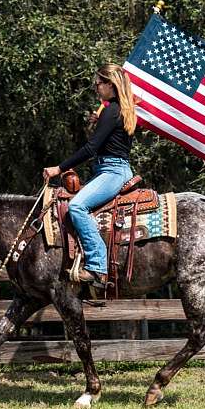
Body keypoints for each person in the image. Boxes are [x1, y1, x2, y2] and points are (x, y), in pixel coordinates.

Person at [43, 64, 137, 289]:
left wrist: (60, 168)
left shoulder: (112, 111)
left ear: (110, 84)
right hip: (110, 169)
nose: (96, 87)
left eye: (98, 83)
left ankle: (96, 267)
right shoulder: (117, 110)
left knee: (77, 207)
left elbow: (91, 149)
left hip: (113, 172)